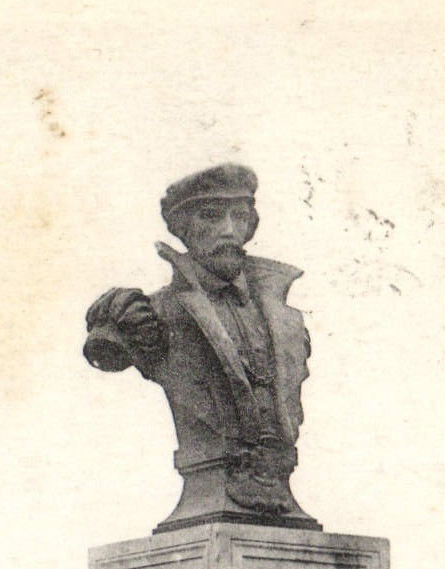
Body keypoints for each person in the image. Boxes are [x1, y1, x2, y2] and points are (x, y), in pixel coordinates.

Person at [84, 164, 316, 528]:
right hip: (206, 488)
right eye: (211, 216)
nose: (228, 229)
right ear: (182, 228)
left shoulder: (289, 323)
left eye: (239, 216)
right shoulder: (151, 316)